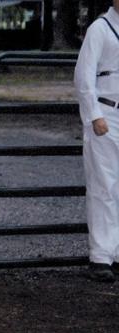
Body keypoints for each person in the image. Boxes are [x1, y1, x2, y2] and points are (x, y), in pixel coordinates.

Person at [74, 1, 119, 283]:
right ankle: (101, 255)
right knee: (104, 184)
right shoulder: (100, 29)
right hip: (107, 113)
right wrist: (93, 114)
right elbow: (84, 75)